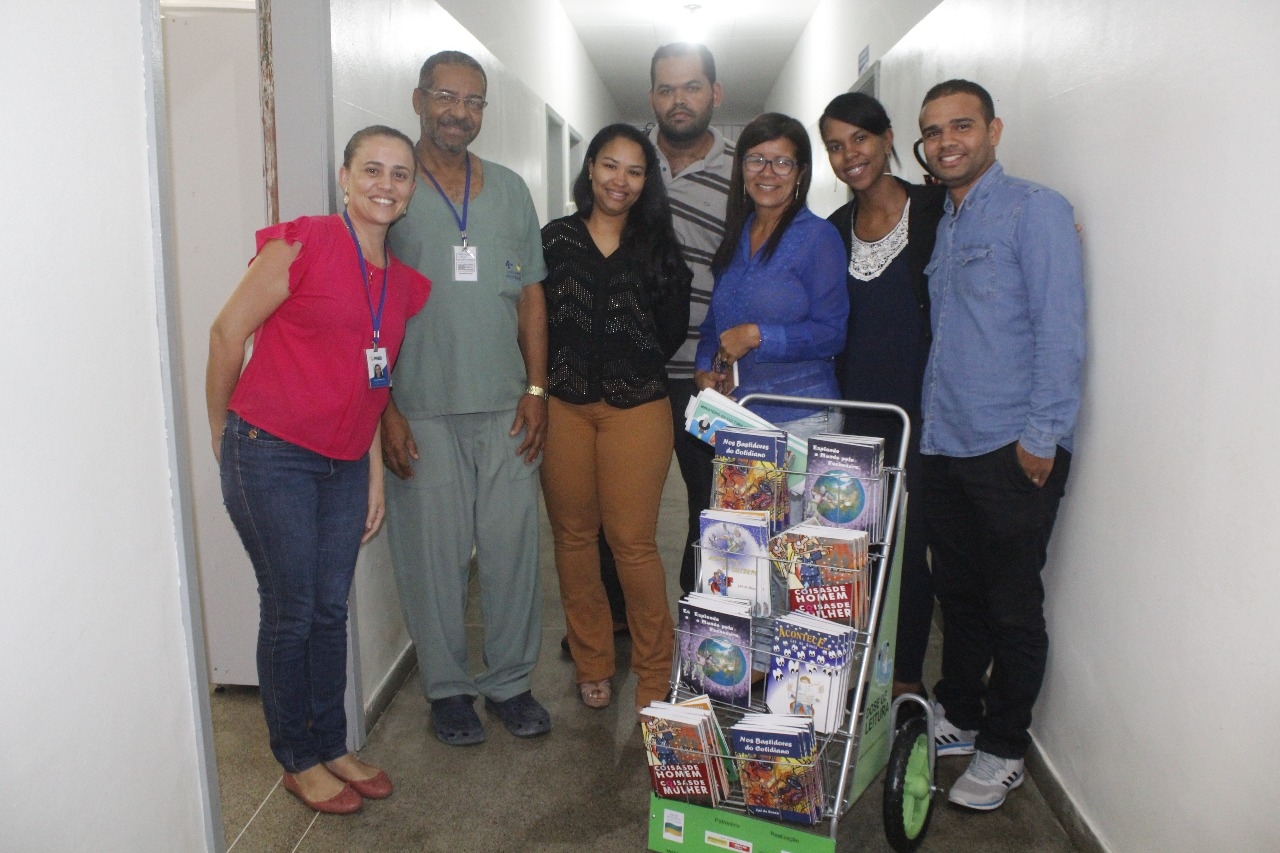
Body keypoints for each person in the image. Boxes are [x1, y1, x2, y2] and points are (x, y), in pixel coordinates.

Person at [207, 126, 431, 813]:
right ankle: (296, 757)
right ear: (344, 177)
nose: (385, 185)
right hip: (270, 450)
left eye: (399, 174)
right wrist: (221, 432)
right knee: (292, 606)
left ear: (411, 190)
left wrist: (372, 474)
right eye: (371, 169)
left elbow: (370, 384)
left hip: (344, 463)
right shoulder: (303, 242)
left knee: (330, 608)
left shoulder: (403, 286)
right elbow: (226, 333)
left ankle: (331, 743)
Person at [916, 80, 1085, 811]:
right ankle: (959, 711)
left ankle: (1005, 747)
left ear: (994, 130)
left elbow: (1061, 329)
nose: (946, 141)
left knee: (1012, 605)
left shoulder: (1034, 210)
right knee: (959, 593)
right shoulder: (945, 220)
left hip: (1014, 448)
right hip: (946, 441)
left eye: (961, 125)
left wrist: (1042, 436)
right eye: (932, 131)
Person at [381, 51, 551, 746]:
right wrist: (386, 407)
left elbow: (532, 296)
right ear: (418, 99)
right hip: (420, 405)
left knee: (513, 549)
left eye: (473, 101)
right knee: (431, 557)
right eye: (445, 97)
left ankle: (510, 681)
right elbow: (365, 302)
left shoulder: (509, 189)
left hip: (507, 403)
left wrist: (537, 389)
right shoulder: (392, 187)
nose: (459, 112)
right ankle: (448, 689)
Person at [575, 42, 735, 654]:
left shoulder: (741, 170)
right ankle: (616, 619)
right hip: (624, 371)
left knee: (708, 506)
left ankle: (703, 623)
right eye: (666, 89)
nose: (678, 100)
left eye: (691, 87)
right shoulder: (628, 159)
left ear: (714, 93)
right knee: (611, 512)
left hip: (703, 375)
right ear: (651, 97)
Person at [540, 124, 692, 711]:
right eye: (610, 165)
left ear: (646, 180)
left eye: (634, 170)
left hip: (637, 408)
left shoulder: (658, 246)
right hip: (565, 407)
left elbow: (670, 329)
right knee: (574, 539)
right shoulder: (555, 240)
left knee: (632, 544)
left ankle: (654, 670)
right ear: (590, 169)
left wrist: (627, 361)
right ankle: (592, 660)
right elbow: (535, 317)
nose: (620, 180)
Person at [819, 93, 945, 708]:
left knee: (908, 547)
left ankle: (905, 682)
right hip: (856, 413)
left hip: (922, 413)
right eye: (835, 146)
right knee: (858, 547)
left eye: (860, 139)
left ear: (888, 138)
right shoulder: (832, 230)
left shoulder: (936, 208)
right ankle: (859, 669)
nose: (850, 155)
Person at [694, 112, 848, 454]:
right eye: (756, 160)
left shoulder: (819, 237)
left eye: (782, 162)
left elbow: (832, 334)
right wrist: (704, 371)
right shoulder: (736, 235)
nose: (767, 172)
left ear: (800, 172)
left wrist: (757, 336)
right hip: (737, 416)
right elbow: (713, 327)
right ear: (741, 168)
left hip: (802, 418)